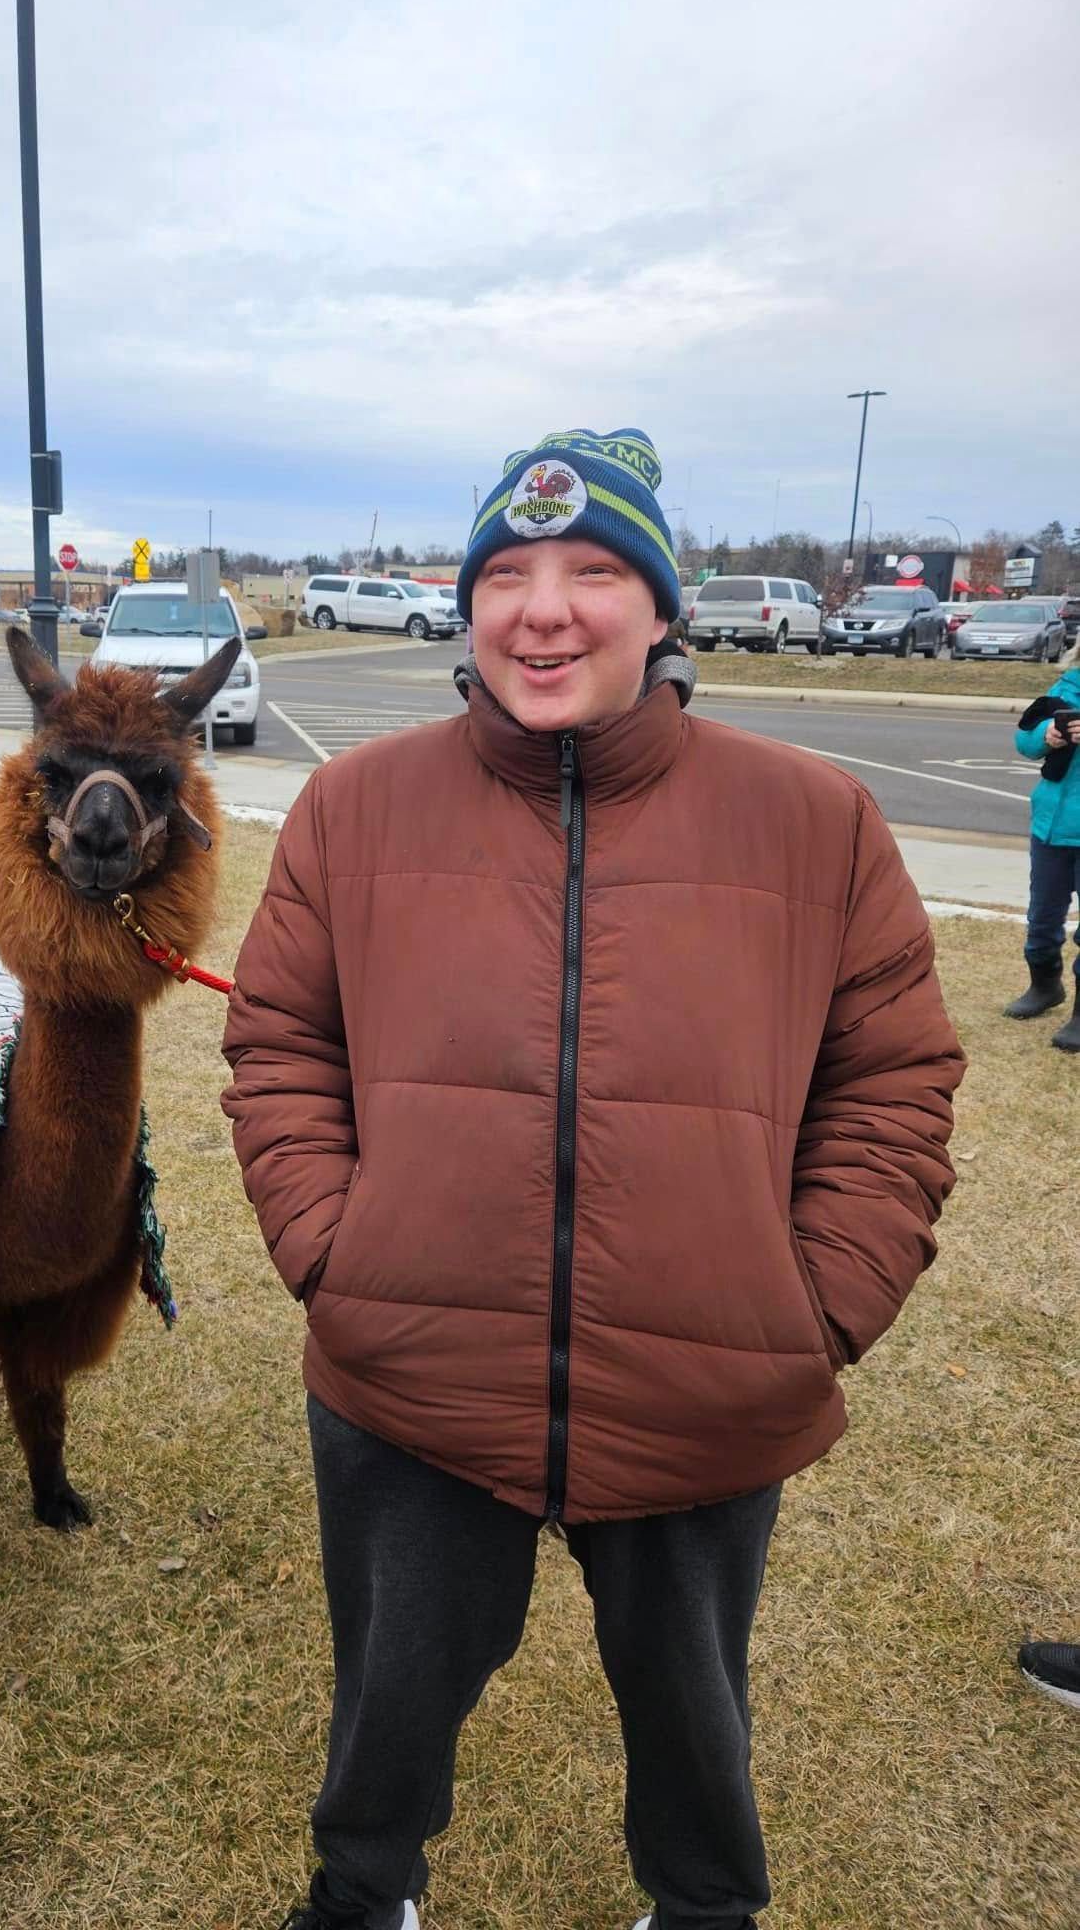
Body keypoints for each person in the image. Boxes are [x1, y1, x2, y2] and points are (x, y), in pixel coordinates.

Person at [221, 428, 965, 1930]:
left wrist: (810, 1308)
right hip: (411, 1378)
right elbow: (280, 1042)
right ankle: (363, 1895)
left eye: (592, 571)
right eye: (506, 572)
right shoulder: (354, 810)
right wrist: (334, 1253)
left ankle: (701, 1908)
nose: (541, 610)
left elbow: (894, 1080)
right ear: (469, 603)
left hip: (708, 1383)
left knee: (694, 1710)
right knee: (389, 1697)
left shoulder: (813, 823)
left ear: (661, 607)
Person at [1002, 636, 1080, 1051]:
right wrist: (1046, 736)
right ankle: (1045, 985)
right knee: (1043, 916)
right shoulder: (1065, 687)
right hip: (1050, 826)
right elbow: (1024, 739)